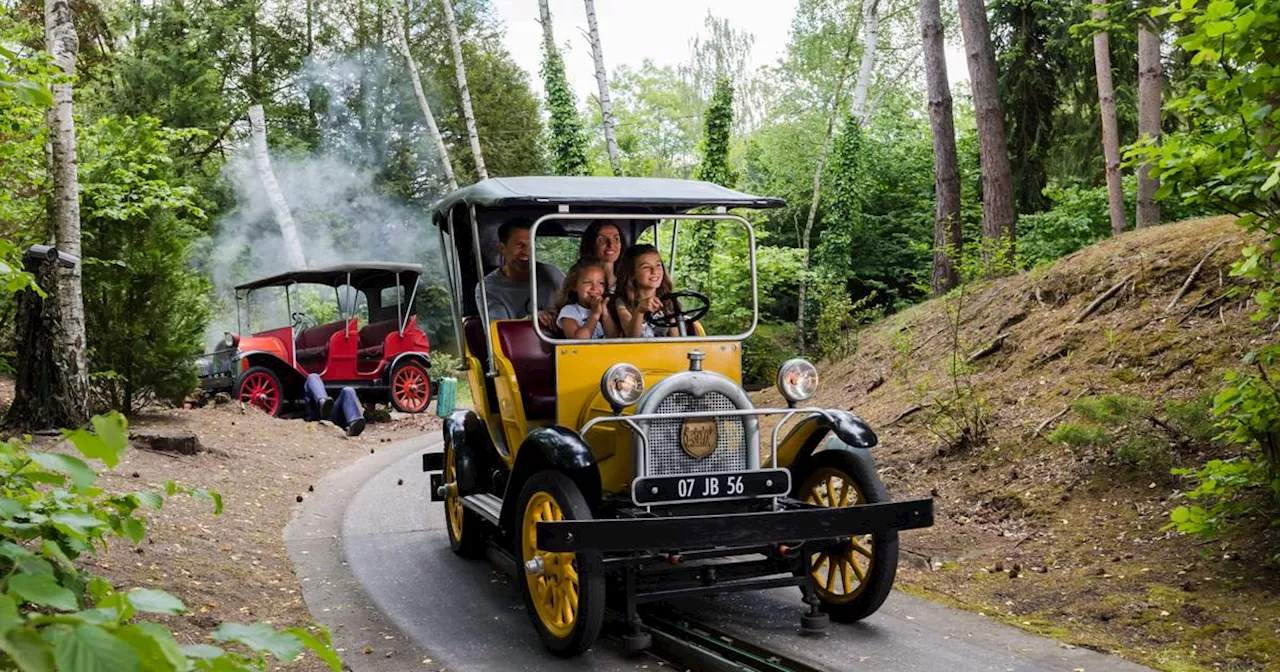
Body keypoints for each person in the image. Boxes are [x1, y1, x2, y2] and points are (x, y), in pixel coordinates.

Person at [476, 217, 564, 328]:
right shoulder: (488, 288)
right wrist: (529, 320)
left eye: (531, 245)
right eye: (520, 245)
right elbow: (498, 331)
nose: (527, 252)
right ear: (502, 248)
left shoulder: (551, 273)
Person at [614, 244, 680, 338]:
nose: (654, 271)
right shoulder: (622, 302)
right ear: (632, 274)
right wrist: (640, 311)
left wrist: (672, 316)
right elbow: (632, 338)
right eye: (646, 267)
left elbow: (676, 340)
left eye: (658, 265)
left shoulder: (669, 301)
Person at [556, 260, 620, 339]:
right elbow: (578, 341)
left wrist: (604, 312)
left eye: (600, 283)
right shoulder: (570, 311)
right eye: (587, 282)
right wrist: (595, 315)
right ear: (574, 286)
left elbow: (614, 338)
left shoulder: (604, 309)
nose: (595, 288)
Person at [577, 220, 628, 295]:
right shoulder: (581, 284)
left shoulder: (628, 284)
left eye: (616, 239)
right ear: (591, 245)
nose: (610, 244)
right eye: (602, 240)